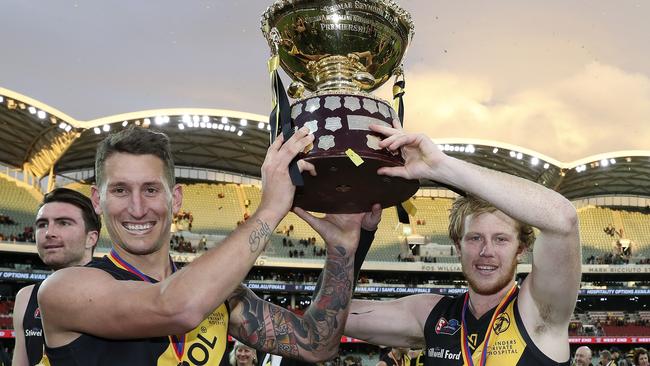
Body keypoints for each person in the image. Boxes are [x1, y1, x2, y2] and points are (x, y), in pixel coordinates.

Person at [37, 127, 367, 365]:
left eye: (151, 190)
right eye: (120, 190)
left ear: (175, 198)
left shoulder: (219, 295)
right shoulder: (64, 289)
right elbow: (175, 307)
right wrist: (270, 208)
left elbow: (317, 344)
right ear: (98, 200)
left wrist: (342, 249)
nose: (137, 208)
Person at [344, 124, 581, 365]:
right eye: (475, 238)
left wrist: (440, 167)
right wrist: (352, 243)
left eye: (501, 239)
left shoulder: (539, 312)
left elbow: (563, 219)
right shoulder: (430, 313)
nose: (486, 251)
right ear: (458, 246)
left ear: (520, 249)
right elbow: (329, 317)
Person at [12, 188, 101, 366]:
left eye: (63, 223)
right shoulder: (25, 297)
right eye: (42, 224)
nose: (49, 232)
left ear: (91, 238)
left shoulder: (116, 290)